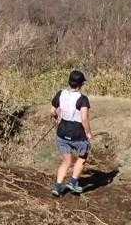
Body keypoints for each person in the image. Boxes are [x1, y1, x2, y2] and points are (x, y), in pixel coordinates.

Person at [50, 69, 94, 197]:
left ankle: (58, 187)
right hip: (77, 134)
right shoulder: (83, 99)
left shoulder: (60, 93)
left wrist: (57, 118)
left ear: (69, 82)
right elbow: (84, 119)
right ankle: (73, 182)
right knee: (83, 157)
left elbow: (52, 111)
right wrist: (89, 133)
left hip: (62, 132)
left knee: (67, 161)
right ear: (81, 84)